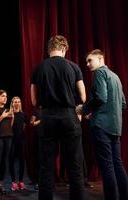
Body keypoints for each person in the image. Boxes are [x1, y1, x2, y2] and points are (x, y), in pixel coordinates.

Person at [31, 35, 87, 200]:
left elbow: (34, 100)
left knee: (46, 169)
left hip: (47, 118)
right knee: (75, 169)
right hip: (69, 118)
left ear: (49, 49)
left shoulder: (38, 68)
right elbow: (83, 97)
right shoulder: (74, 67)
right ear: (64, 49)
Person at [82, 49, 128, 200]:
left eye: (90, 60)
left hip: (101, 126)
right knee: (117, 164)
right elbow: (122, 104)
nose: (87, 64)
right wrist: (97, 112)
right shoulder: (115, 76)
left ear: (101, 58)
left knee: (107, 166)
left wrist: (84, 109)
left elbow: (101, 97)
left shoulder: (100, 73)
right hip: (115, 127)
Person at [9, 96, 28, 191]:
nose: (17, 103)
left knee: (21, 160)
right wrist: (12, 116)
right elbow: (8, 128)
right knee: (11, 160)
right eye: (15, 102)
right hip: (11, 140)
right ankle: (13, 182)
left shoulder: (23, 115)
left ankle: (21, 181)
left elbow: (24, 127)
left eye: (18, 102)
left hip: (20, 140)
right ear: (12, 103)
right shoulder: (9, 114)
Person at [29, 106, 42, 191]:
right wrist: (41, 120)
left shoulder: (50, 109)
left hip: (49, 137)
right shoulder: (36, 110)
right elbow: (31, 122)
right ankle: (38, 181)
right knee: (39, 159)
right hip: (39, 137)